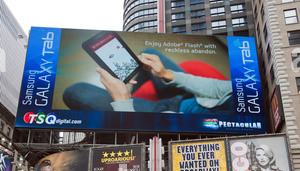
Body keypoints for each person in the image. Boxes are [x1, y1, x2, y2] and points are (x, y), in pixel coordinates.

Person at [63, 50, 233, 117]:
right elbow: (218, 89)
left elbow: (138, 140)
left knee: (75, 92)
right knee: (148, 55)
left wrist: (122, 101)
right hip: (190, 98)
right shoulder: (249, 88)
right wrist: (166, 74)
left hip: (166, 118)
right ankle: (133, 86)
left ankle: (131, 94)